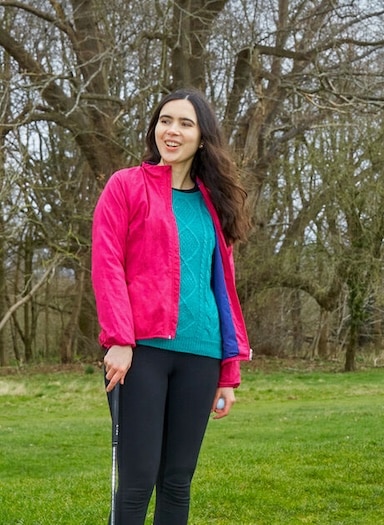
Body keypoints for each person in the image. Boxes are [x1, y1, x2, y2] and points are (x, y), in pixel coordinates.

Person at [93, 88, 253, 524]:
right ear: (154, 129)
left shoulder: (214, 204)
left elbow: (225, 291)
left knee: (178, 481)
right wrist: (119, 340)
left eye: (185, 123)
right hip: (141, 352)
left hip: (201, 355)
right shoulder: (125, 186)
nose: (172, 130)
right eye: (165, 120)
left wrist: (228, 373)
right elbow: (107, 264)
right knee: (137, 481)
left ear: (202, 137)